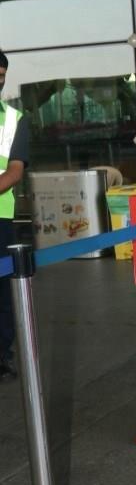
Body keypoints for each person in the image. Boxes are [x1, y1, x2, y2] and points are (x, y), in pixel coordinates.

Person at [0, 49, 29, 381]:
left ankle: (1, 355)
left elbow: (15, 171)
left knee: (2, 292)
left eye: (2, 76)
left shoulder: (13, 120)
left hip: (1, 219)